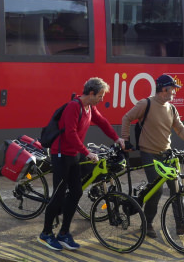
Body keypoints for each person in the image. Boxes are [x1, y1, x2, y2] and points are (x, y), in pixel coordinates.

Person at [38, 77, 126, 251]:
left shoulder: (90, 107)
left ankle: (63, 234)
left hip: (74, 155)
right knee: (58, 194)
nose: (102, 99)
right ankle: (46, 234)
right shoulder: (74, 106)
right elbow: (70, 134)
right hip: (62, 154)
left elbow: (103, 122)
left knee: (76, 192)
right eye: (100, 95)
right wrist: (87, 152)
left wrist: (117, 139)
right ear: (91, 93)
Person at [121, 74, 184, 238]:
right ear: (164, 89)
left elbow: (179, 127)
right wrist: (126, 140)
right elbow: (126, 118)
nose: (174, 93)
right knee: (156, 190)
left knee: (176, 188)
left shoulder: (171, 108)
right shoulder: (146, 104)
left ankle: (180, 225)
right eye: (172, 90)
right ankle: (147, 224)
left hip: (167, 154)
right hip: (149, 154)